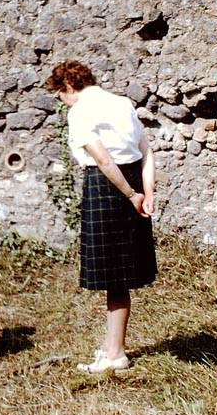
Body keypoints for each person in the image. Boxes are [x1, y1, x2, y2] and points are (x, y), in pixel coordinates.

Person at [46, 60, 157, 373]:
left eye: (60, 95)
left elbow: (105, 161)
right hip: (133, 179)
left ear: (68, 87)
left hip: (107, 185)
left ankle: (116, 354)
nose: (62, 101)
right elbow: (146, 151)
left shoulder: (80, 110)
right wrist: (147, 192)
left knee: (114, 276)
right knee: (118, 277)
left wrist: (132, 195)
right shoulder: (123, 103)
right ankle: (112, 348)